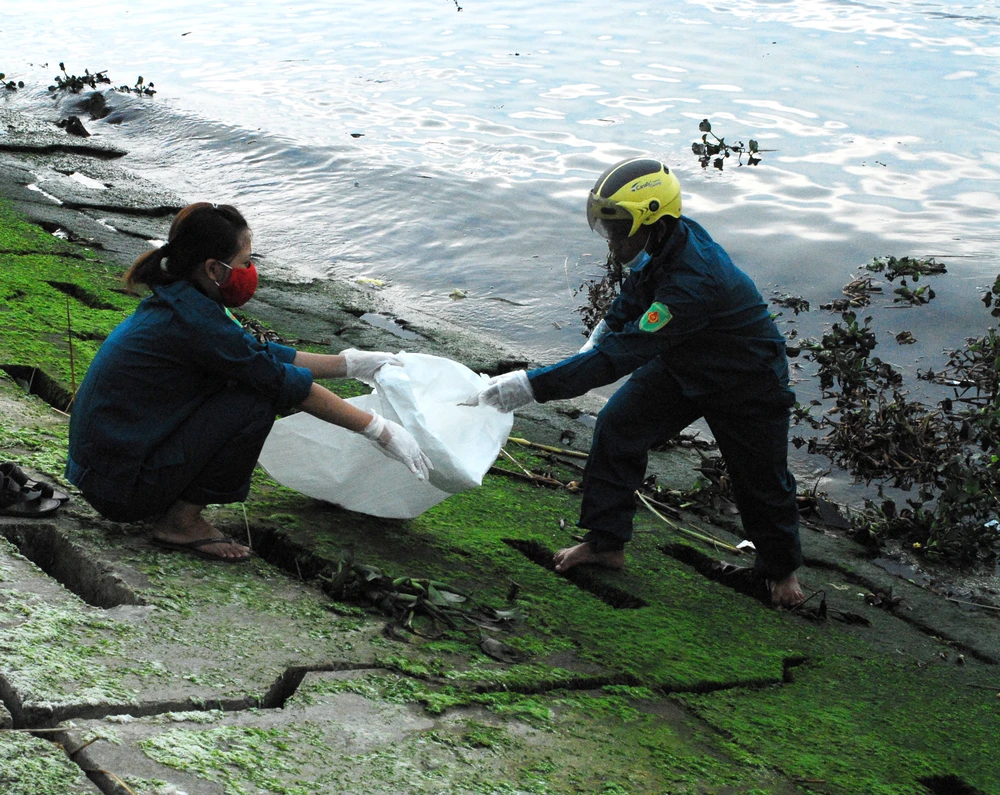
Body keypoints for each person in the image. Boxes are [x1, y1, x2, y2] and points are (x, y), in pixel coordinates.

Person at [470, 158, 804, 607]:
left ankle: (780, 577)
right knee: (618, 425)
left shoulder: (694, 283)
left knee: (760, 477)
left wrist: (530, 385)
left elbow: (618, 359)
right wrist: (597, 337)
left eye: (622, 228)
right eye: (608, 228)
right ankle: (606, 544)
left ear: (656, 221)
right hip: (684, 361)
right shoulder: (667, 242)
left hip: (746, 378)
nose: (614, 240)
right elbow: (632, 302)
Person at [66, 202, 431, 562]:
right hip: (123, 490)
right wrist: (379, 430)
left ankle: (176, 511)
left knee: (251, 382)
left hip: (107, 474)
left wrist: (351, 365)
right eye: (245, 262)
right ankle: (181, 522)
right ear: (214, 269)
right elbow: (283, 383)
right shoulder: (197, 324)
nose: (251, 270)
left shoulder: (181, 301)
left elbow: (255, 354)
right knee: (255, 400)